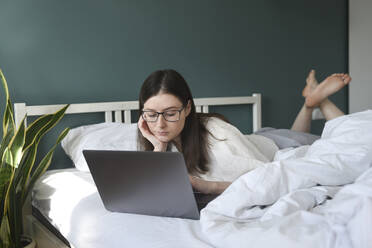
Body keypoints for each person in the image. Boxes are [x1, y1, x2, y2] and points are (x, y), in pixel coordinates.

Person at [137, 69, 351, 194]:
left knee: (351, 138)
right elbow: (155, 191)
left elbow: (268, 177)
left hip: (279, 146)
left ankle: (318, 102)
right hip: (259, 138)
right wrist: (159, 148)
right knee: (294, 131)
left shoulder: (217, 134)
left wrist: (205, 186)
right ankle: (310, 103)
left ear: (188, 108)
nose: (160, 124)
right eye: (151, 114)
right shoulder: (157, 138)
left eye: (170, 112)